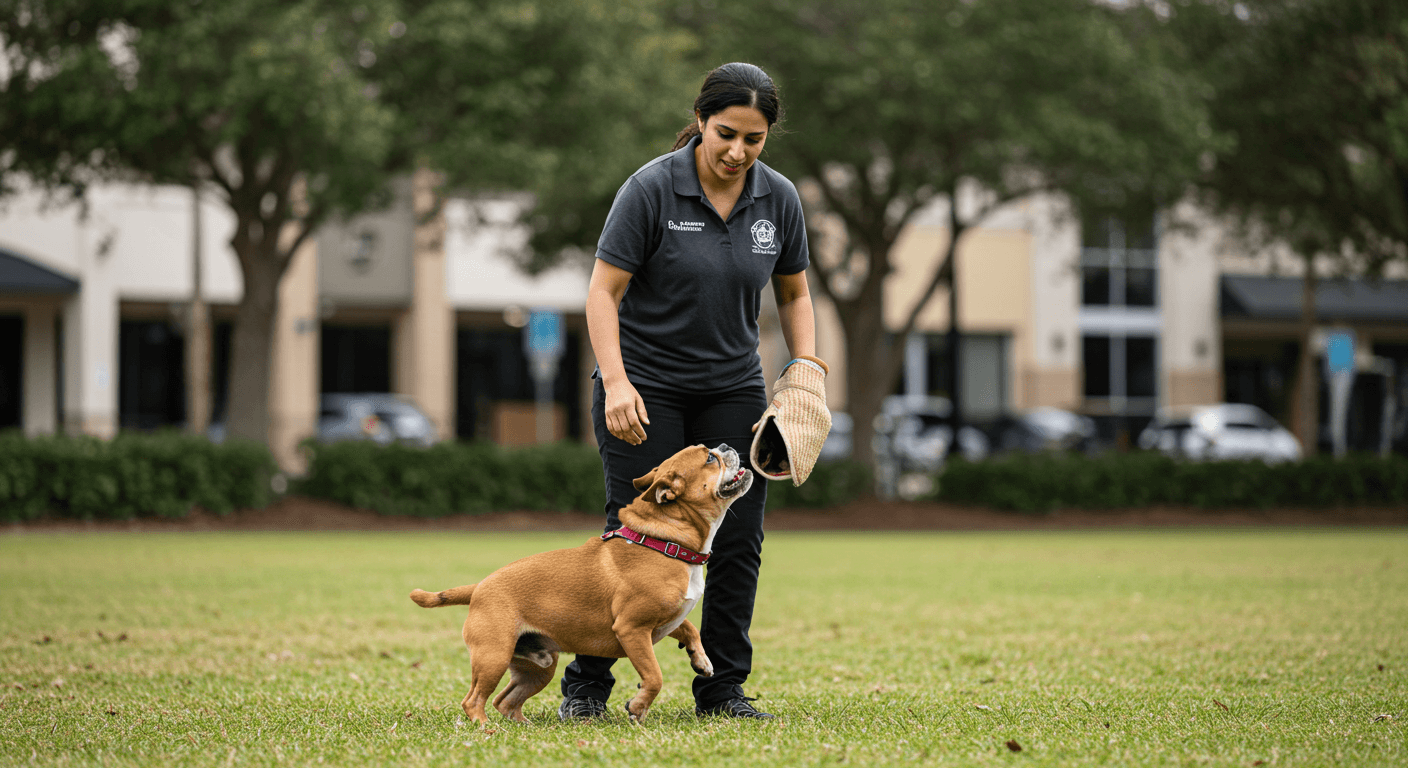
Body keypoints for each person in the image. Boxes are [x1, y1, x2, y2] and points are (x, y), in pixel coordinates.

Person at [559, 62, 817, 721]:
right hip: (645, 387)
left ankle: (722, 689)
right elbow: (602, 292)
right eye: (726, 133)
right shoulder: (652, 188)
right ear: (701, 120)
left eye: (754, 140)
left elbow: (794, 292)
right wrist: (615, 381)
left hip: (732, 387)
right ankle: (587, 690)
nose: (737, 151)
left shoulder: (778, 198)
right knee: (632, 538)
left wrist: (805, 369)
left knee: (739, 536)